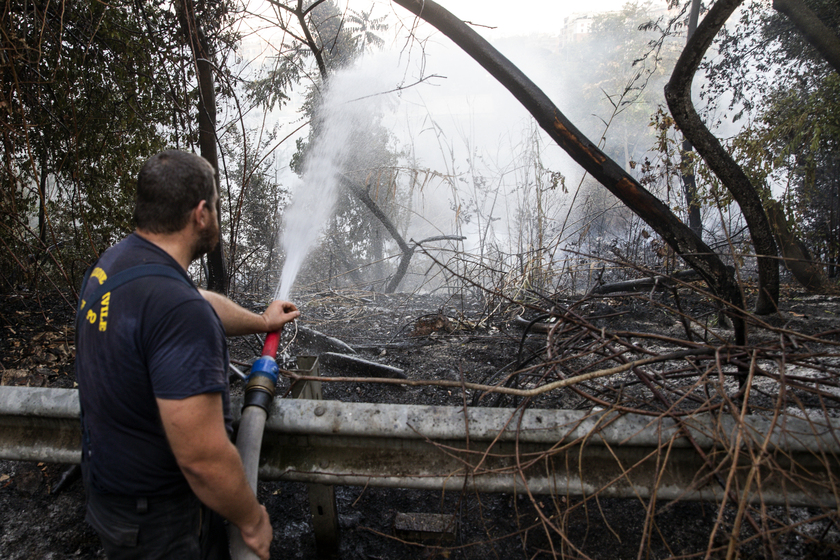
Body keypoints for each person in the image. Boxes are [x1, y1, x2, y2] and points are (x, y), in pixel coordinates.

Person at [75, 149, 299, 560]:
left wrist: (262, 322)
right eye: (215, 205)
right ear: (200, 213)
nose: (215, 214)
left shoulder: (112, 266)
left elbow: (194, 300)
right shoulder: (179, 313)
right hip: (162, 522)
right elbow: (202, 458)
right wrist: (252, 520)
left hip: (112, 501)